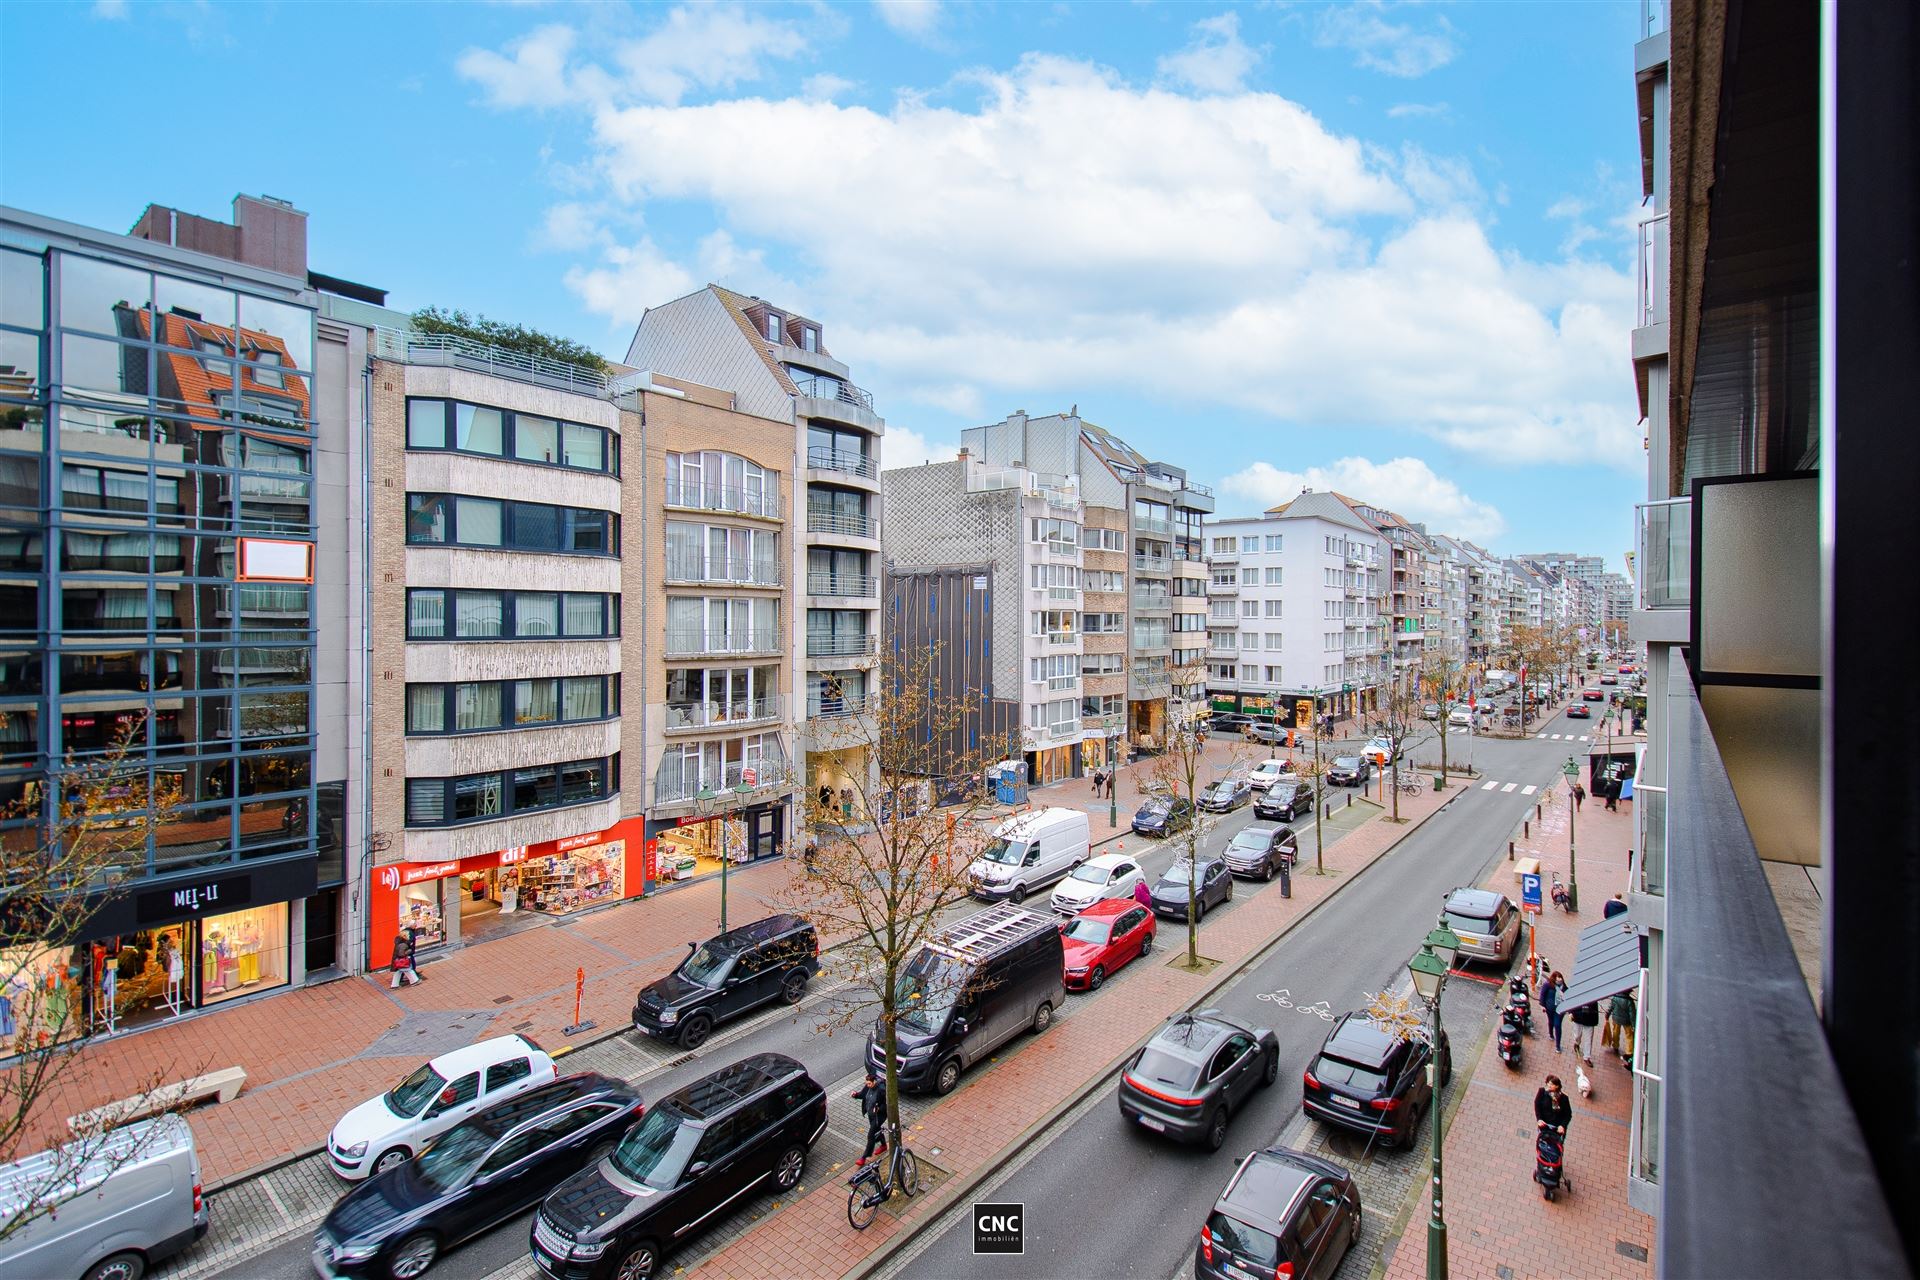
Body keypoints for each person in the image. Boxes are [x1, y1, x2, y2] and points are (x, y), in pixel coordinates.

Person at [851, 1071, 887, 1169]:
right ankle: (884, 1145)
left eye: (869, 1084)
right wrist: (855, 1095)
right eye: (866, 1084)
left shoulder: (881, 1089)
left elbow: (886, 1103)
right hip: (871, 1115)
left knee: (871, 1135)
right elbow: (863, 1095)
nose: (868, 1086)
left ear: (874, 1081)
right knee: (877, 1129)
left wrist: (879, 1108)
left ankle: (864, 1157)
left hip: (879, 1116)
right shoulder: (868, 1086)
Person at [1541, 969, 1567, 1051]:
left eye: (1560, 977)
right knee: (1551, 1021)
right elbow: (1542, 994)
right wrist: (1542, 1005)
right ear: (1554, 978)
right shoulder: (1548, 985)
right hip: (1550, 1009)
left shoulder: (1564, 987)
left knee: (1557, 1025)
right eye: (1558, 978)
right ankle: (1551, 1034)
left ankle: (1558, 1046)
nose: (1560, 979)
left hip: (1560, 1010)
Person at [1609, 989, 1638, 1064]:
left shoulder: (1615, 997)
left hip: (1616, 1019)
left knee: (1615, 1032)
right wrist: (1634, 1025)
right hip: (1626, 1021)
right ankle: (1629, 1051)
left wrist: (1607, 1014)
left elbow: (1611, 1007)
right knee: (1629, 1036)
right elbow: (1632, 1015)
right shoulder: (1630, 1001)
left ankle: (1615, 1045)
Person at [1569, 1000, 1600, 1065]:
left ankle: (1587, 1057)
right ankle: (1577, 1043)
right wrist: (1571, 1012)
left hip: (1589, 1019)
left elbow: (1593, 1007)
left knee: (1588, 1039)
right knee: (1577, 1035)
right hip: (1577, 1017)